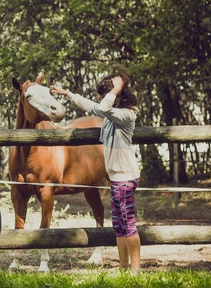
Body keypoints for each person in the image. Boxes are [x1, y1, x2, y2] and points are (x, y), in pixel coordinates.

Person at [50, 69, 142, 272]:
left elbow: (104, 107)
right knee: (118, 225)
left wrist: (117, 89)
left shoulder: (126, 115)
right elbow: (91, 106)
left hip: (125, 177)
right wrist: (67, 94)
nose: (101, 99)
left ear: (117, 96)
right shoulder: (111, 115)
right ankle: (123, 268)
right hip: (117, 178)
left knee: (128, 224)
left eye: (105, 94)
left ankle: (136, 270)